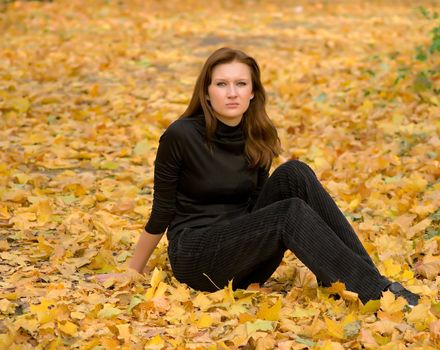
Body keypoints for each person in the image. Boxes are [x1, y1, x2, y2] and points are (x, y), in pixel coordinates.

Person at [96, 47, 420, 306]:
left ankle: (368, 281)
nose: (232, 93)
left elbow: (260, 205)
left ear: (253, 92)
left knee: (296, 173)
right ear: (206, 92)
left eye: (241, 84)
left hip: (246, 256)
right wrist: (132, 270)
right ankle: (376, 292)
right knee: (288, 212)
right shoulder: (181, 136)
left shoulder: (259, 133)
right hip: (198, 258)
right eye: (221, 84)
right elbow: (162, 211)